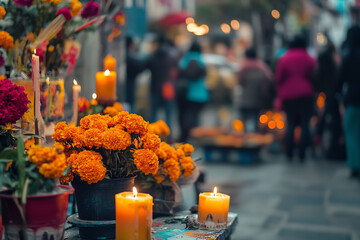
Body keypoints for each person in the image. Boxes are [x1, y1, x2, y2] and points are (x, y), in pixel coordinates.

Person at [275, 35, 316, 161]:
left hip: (288, 95)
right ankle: (303, 152)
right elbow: (315, 76)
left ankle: (289, 152)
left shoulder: (284, 59)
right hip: (306, 94)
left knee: (291, 123)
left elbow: (278, 78)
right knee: (305, 123)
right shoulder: (310, 59)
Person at [314, 42, 343, 159]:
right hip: (333, 97)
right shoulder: (335, 67)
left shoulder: (318, 69)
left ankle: (318, 142)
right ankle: (332, 147)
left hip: (322, 97)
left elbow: (315, 81)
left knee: (322, 122)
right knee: (334, 123)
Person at [339, 26, 360, 178]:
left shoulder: (349, 55)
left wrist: (337, 93)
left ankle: (355, 165)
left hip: (353, 98)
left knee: (352, 131)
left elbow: (341, 79)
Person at [178, 41, 209, 142]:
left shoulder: (185, 59)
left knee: (185, 115)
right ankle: (194, 136)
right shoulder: (201, 60)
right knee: (194, 116)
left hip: (185, 93)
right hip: (200, 94)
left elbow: (179, 73)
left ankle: (184, 135)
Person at [238, 48, 274, 131]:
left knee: (244, 121)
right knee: (257, 121)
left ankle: (243, 139)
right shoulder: (262, 66)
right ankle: (257, 138)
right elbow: (270, 80)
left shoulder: (244, 67)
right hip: (258, 98)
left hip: (246, 99)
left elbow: (239, 82)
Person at [147, 35, 179, 129]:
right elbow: (177, 71)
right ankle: (168, 136)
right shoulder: (172, 56)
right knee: (169, 114)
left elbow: (145, 65)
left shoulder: (153, 55)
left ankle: (151, 136)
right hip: (168, 87)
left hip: (155, 87)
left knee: (153, 114)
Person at [126, 37, 145, 112]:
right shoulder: (131, 55)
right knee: (130, 103)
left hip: (127, 82)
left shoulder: (127, 54)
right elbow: (139, 66)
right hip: (130, 82)